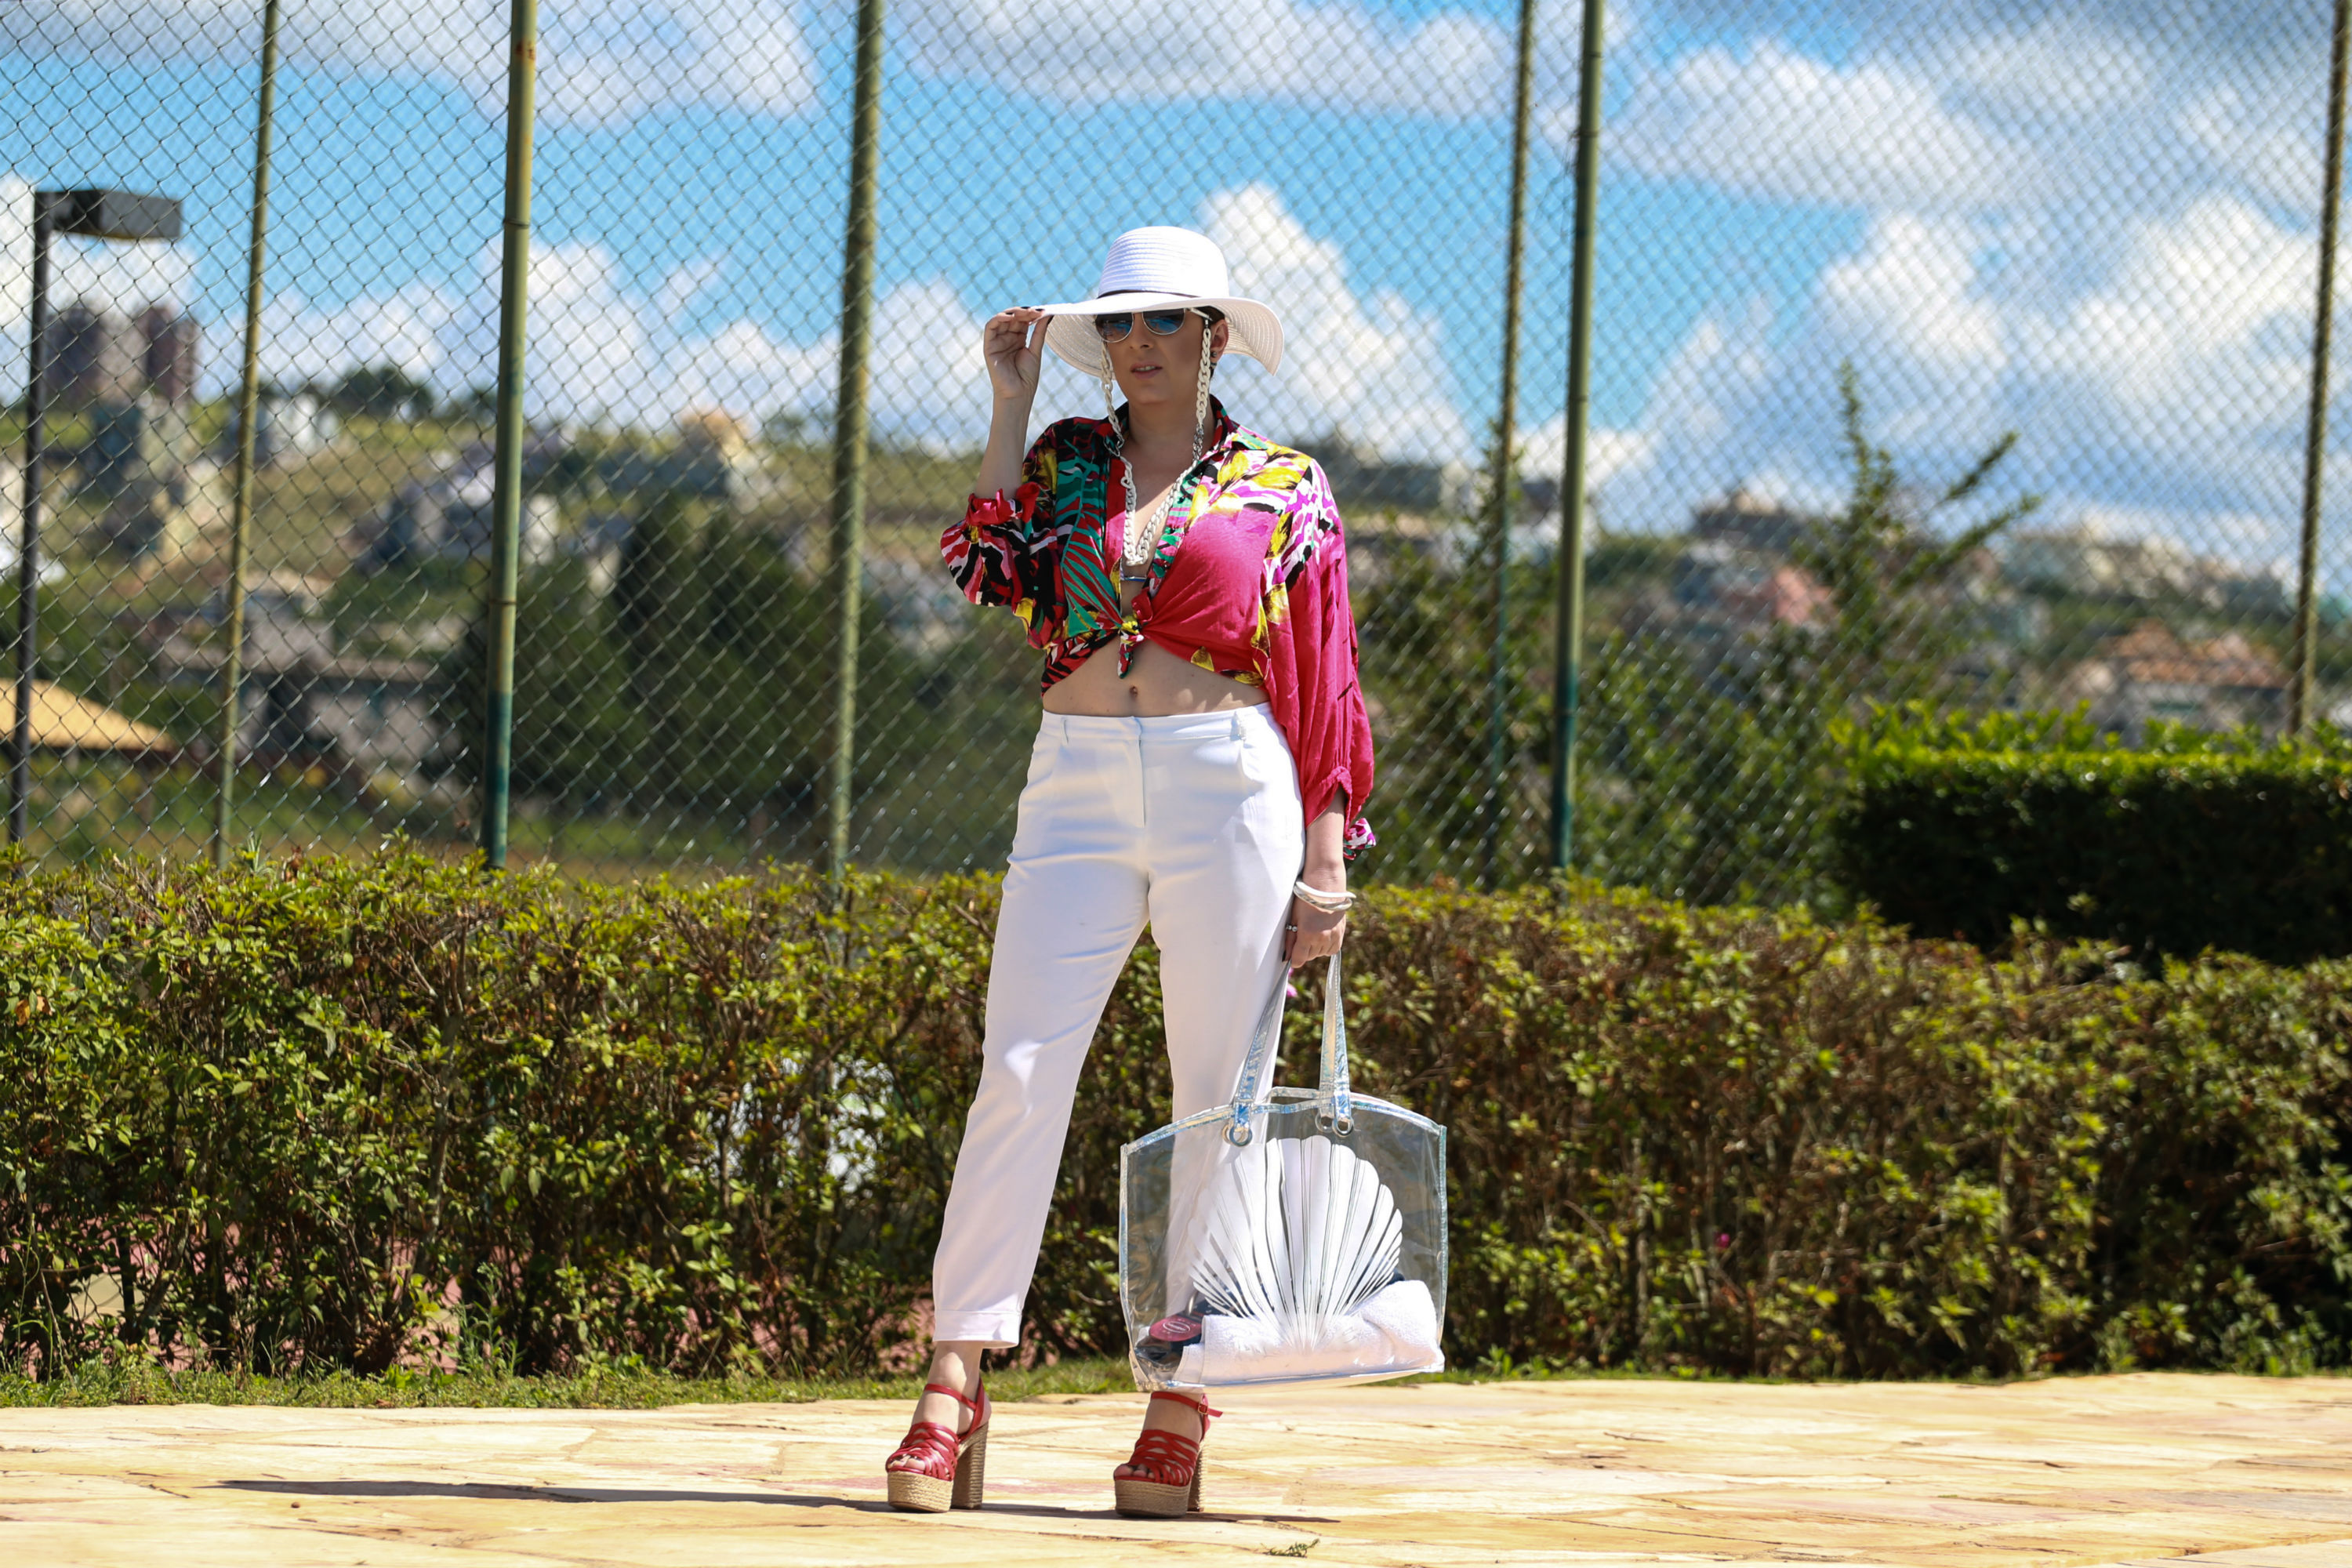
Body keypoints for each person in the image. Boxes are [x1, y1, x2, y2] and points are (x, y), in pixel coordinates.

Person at [881, 226, 1376, 1518]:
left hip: (1235, 785)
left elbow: (1325, 675)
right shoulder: (1065, 463)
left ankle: (1184, 1396)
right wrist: (1009, 405)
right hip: (1079, 778)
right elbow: (988, 571)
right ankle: (955, 1376)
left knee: (1221, 1097)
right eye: (1120, 323)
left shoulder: (1286, 486)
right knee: (1018, 1068)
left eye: (1166, 320)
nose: (1139, 343)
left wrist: (1328, 859)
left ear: (1215, 335)